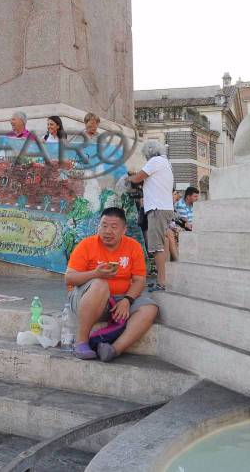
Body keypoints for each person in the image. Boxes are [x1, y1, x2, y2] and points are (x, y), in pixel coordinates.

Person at [64, 206, 158, 362]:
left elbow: (139, 280)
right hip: (86, 300)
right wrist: (95, 274)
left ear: (124, 230)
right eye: (104, 225)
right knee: (100, 284)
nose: (108, 231)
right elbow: (69, 278)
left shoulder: (133, 246)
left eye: (114, 227)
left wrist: (128, 300)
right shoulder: (86, 245)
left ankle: (113, 350)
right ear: (98, 227)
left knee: (150, 308)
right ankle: (81, 342)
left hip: (120, 300)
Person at [127, 139, 175, 290]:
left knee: (156, 247)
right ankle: (164, 279)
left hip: (157, 208)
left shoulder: (155, 161)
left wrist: (127, 178)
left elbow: (137, 178)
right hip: (164, 207)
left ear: (148, 153)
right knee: (162, 244)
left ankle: (162, 282)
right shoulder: (165, 163)